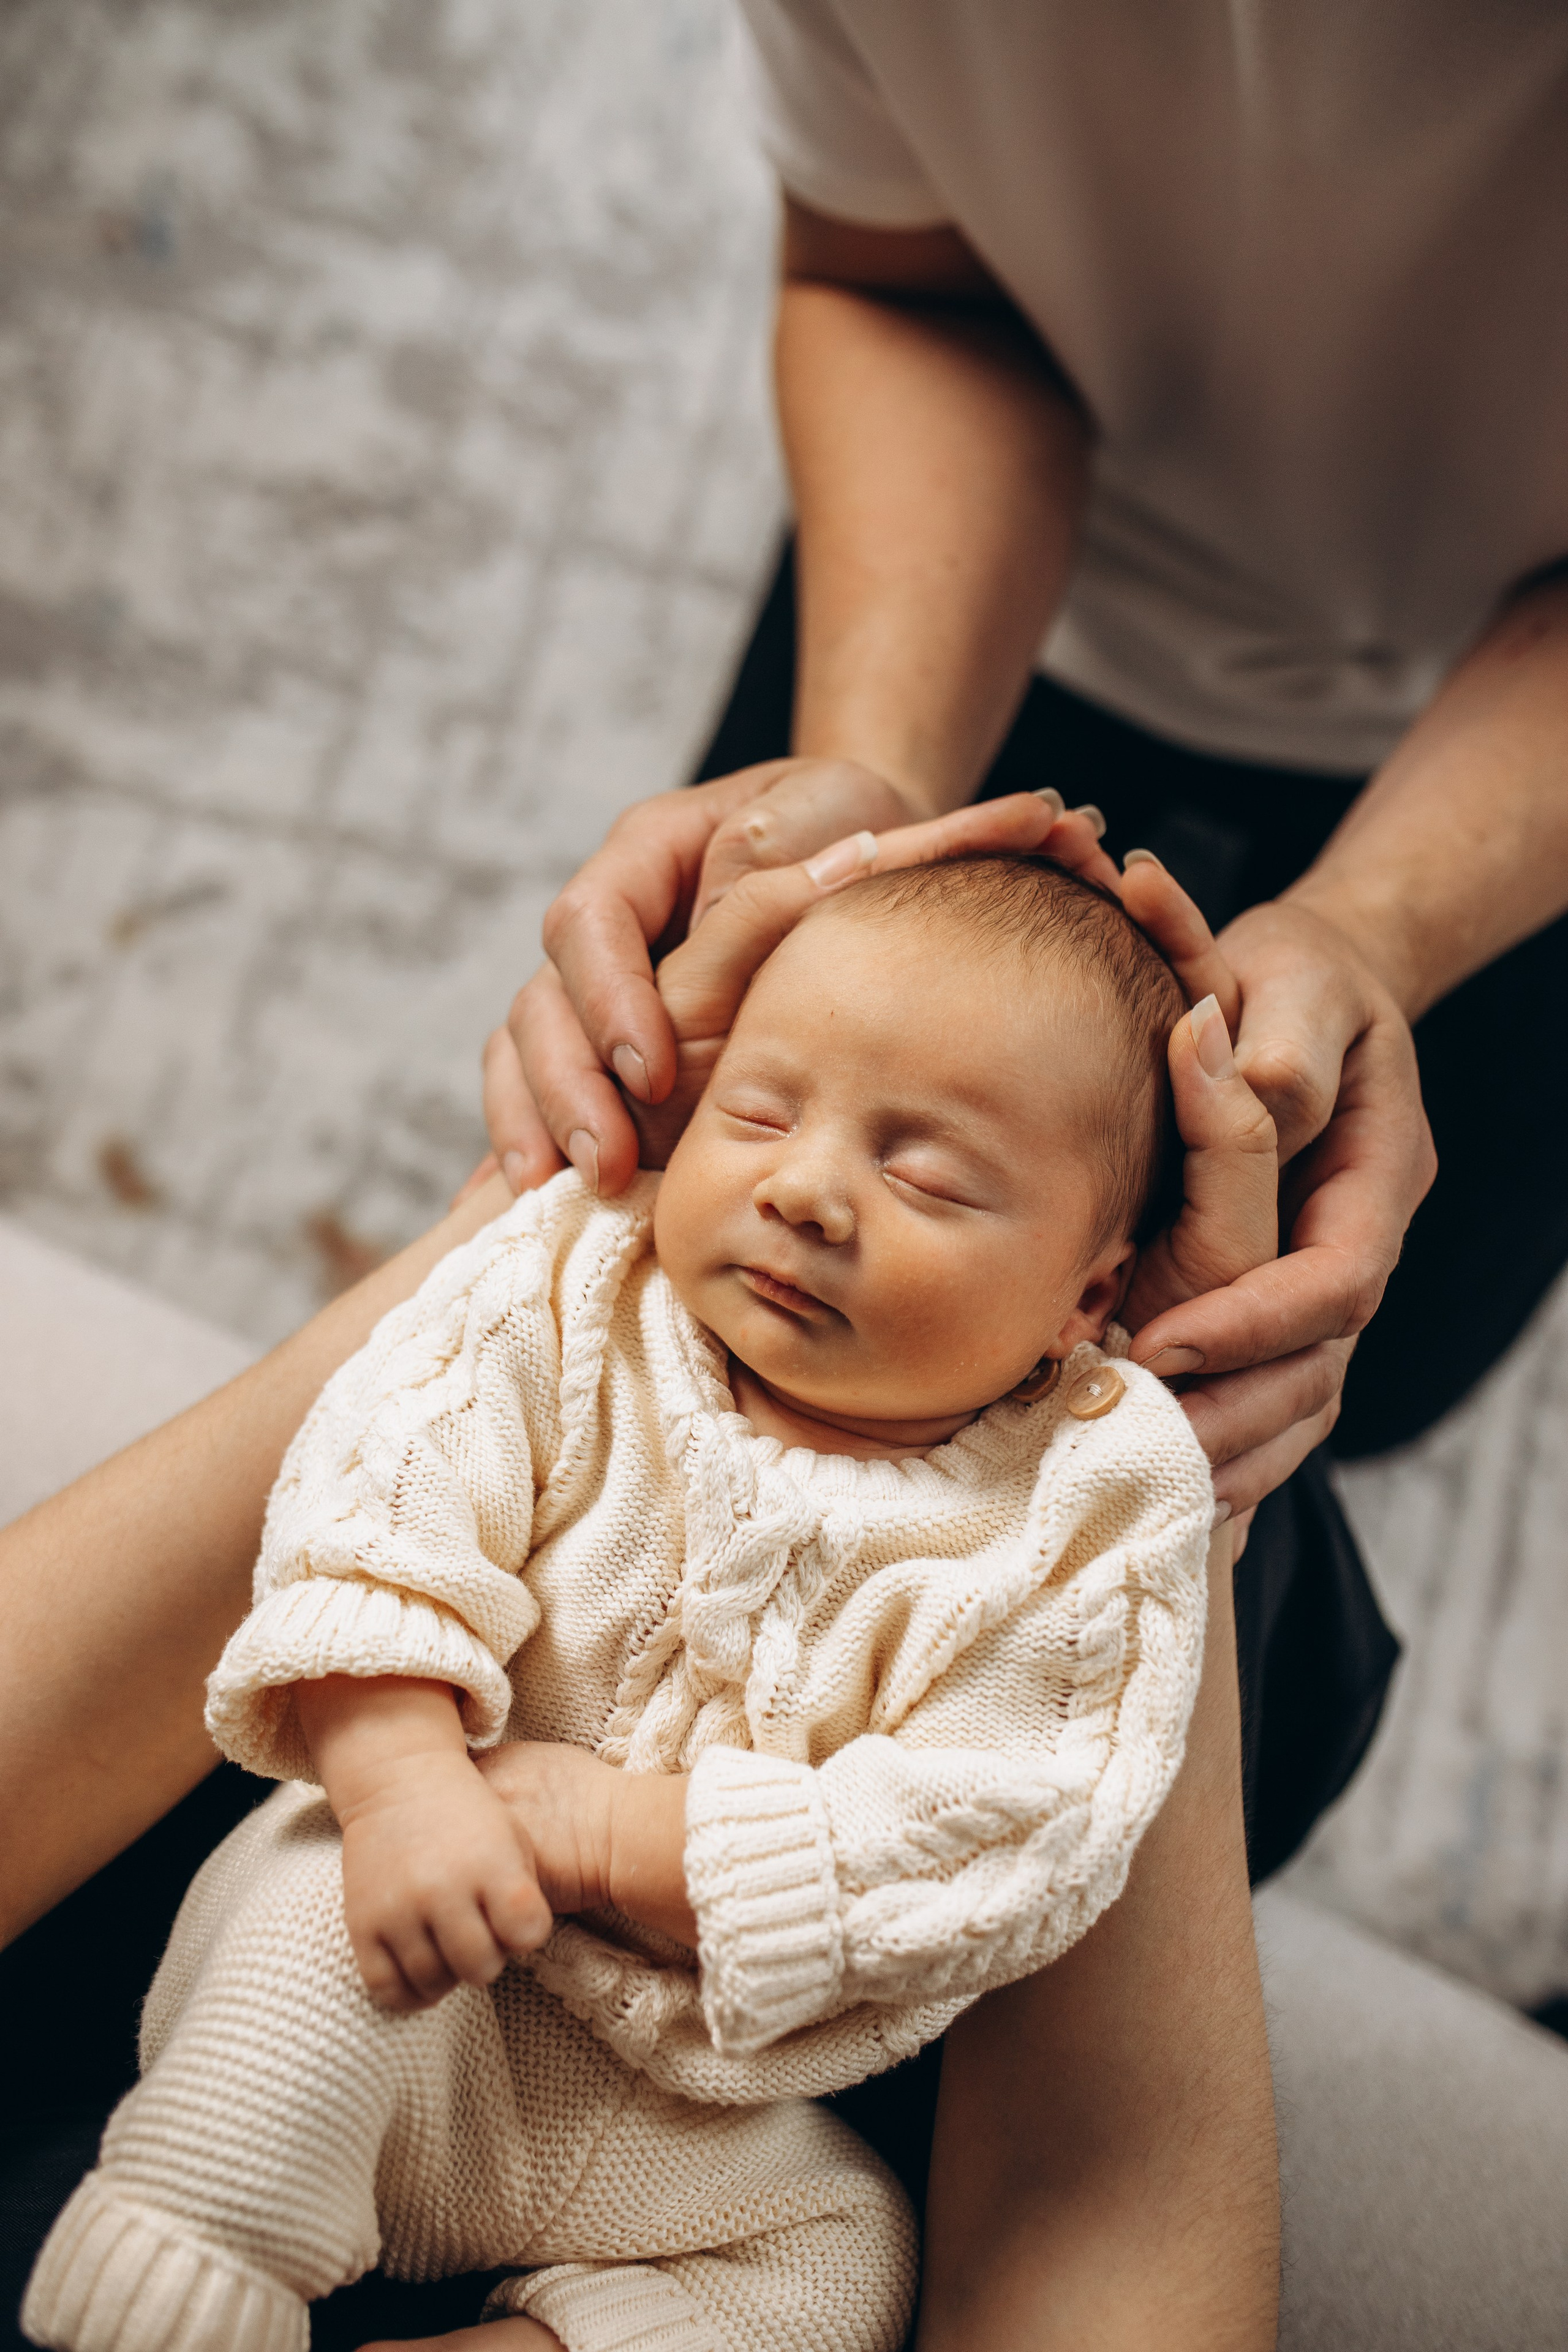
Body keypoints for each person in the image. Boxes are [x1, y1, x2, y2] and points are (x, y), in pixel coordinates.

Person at [22, 849, 1273, 2352]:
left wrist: (602, 1833)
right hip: (412, 1939)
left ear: (1085, 1296)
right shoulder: (576, 1290)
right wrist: (404, 1777)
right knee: (300, 1944)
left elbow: (1009, 1831)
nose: (805, 1190)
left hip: (683, 2113)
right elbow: (371, 1509)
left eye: (926, 1177)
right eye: (759, 1112)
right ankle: (186, 2276)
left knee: (839, 2268)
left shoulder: (1083, 1501)